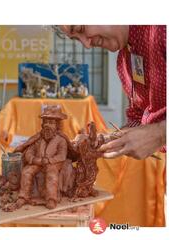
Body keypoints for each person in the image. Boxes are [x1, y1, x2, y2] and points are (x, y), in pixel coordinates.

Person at [59, 25, 166, 160]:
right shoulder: (125, 60)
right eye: (76, 39)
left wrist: (160, 134)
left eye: (81, 29)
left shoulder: (162, 30)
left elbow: (156, 130)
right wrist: (108, 139)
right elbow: (140, 118)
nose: (86, 45)